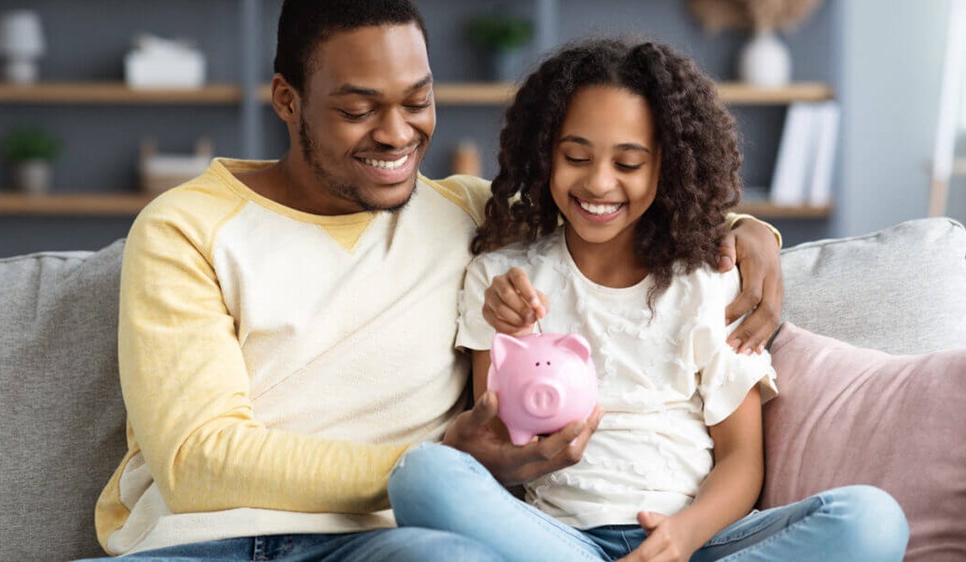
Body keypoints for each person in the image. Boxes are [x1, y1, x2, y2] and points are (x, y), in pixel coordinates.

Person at [81, 2, 784, 561]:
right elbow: (197, 461)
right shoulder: (184, 228)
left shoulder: (462, 211)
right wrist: (441, 459)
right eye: (358, 110)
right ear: (288, 100)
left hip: (394, 543)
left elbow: (610, 208)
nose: (396, 134)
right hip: (200, 545)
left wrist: (749, 232)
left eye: (416, 102)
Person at [387, 38, 910, 562]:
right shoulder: (501, 279)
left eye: (629, 164)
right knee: (422, 475)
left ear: (669, 166)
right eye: (575, 156)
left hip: (695, 541)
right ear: (544, 152)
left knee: (872, 519)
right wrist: (516, 338)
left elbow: (741, 461)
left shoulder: (710, 280)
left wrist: (681, 537)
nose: (598, 182)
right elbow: (501, 455)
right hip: (559, 542)